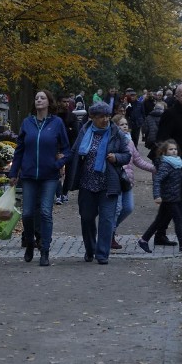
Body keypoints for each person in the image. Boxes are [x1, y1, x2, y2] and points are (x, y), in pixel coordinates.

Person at [9, 90, 72, 266]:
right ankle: (30, 242)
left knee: (45, 212)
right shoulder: (27, 123)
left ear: (48, 102)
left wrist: (58, 164)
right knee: (28, 213)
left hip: (49, 176)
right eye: (36, 98)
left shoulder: (56, 123)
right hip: (29, 175)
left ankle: (45, 250)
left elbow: (68, 150)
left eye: (42, 98)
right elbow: (20, 149)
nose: (39, 100)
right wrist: (14, 172)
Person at [65, 101, 131, 265]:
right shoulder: (85, 131)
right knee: (87, 218)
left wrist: (116, 158)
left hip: (108, 184)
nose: (105, 119)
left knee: (107, 220)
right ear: (92, 117)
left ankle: (102, 254)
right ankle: (90, 249)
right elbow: (74, 152)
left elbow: (127, 155)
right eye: (101, 116)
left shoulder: (116, 133)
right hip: (87, 183)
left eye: (108, 116)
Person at [137, 139, 182, 254]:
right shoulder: (166, 165)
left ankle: (144, 240)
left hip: (173, 196)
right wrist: (157, 195)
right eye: (170, 149)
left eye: (175, 149)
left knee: (158, 221)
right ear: (164, 152)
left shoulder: (175, 163)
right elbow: (158, 179)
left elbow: (180, 176)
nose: (174, 151)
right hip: (169, 198)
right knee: (178, 220)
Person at [154, 83, 182, 246]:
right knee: (179, 199)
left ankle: (159, 235)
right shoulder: (170, 114)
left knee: (172, 201)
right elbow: (161, 139)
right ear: (176, 97)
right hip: (174, 164)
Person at [111, 114, 155, 249]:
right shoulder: (112, 141)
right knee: (117, 208)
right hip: (116, 180)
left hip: (127, 181)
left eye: (126, 124)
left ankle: (109, 229)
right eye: (121, 124)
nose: (125, 127)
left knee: (128, 207)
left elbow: (138, 160)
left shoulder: (129, 142)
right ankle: (109, 235)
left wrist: (154, 169)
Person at [55, 96, 80, 204]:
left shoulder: (72, 116)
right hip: (56, 148)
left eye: (67, 102)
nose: (66, 104)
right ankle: (58, 194)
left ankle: (65, 193)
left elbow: (75, 132)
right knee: (56, 172)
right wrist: (67, 129)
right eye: (64, 101)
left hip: (71, 148)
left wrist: (65, 130)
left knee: (70, 173)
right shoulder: (54, 117)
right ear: (59, 102)